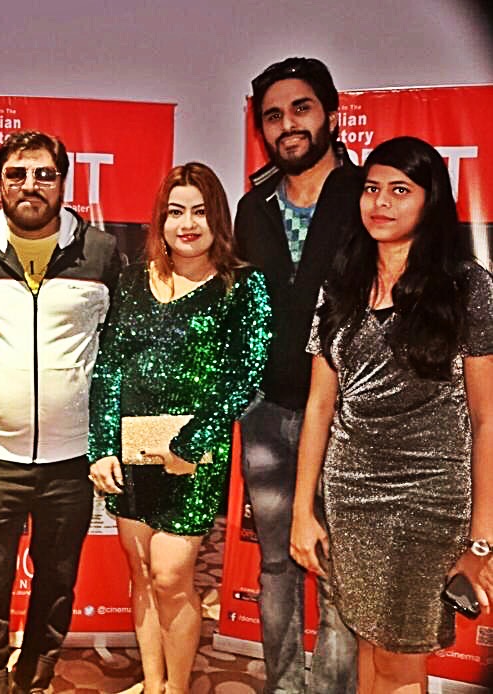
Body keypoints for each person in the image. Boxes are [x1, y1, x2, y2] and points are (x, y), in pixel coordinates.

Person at [291, 136, 493, 693]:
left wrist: (482, 539)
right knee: (367, 643)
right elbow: (319, 405)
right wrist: (304, 510)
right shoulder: (342, 282)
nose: (380, 202)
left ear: (431, 200)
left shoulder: (466, 286)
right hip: (350, 497)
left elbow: (486, 418)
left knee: (401, 658)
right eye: (372, 188)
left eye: (400, 190)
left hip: (429, 499)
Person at [0, 130, 121, 694]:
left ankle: (35, 678)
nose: (30, 185)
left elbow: (115, 349)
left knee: (57, 581)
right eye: (17, 174)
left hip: (71, 457)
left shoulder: (101, 252)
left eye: (45, 174)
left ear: (63, 182)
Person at [88, 162, 271, 694]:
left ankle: (178, 687)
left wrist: (191, 442)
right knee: (142, 571)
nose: (187, 224)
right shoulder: (132, 280)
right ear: (161, 221)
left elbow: (246, 375)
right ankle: (154, 683)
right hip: (130, 451)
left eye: (199, 211)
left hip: (194, 456)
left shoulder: (243, 286)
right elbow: (110, 366)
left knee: (171, 576)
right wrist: (102, 446)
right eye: (175, 212)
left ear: (218, 219)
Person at [233, 56, 364, 693]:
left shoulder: (368, 196)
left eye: (301, 109)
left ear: (331, 114)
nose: (287, 125)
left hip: (348, 419)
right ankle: (284, 686)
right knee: (276, 564)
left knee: (339, 570)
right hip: (266, 414)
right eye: (273, 116)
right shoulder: (252, 208)